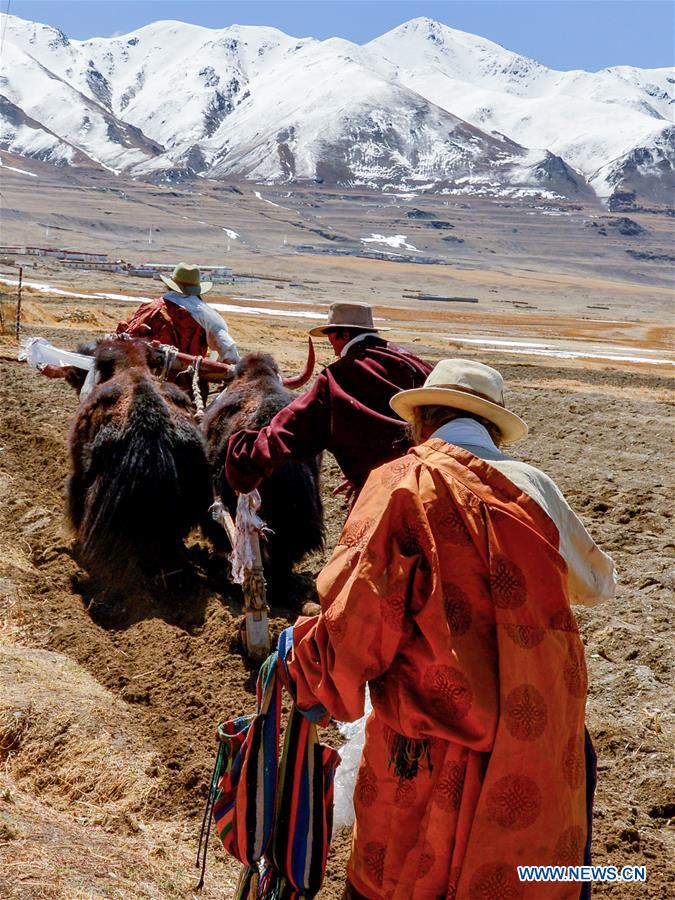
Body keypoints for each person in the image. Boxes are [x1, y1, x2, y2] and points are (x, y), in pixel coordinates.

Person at [277, 359, 616, 899]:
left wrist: (303, 669)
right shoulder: (536, 488)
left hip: (435, 746)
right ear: (492, 429)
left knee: (405, 875)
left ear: (421, 423)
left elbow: (358, 616)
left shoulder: (401, 483)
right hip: (541, 725)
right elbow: (599, 586)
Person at [226, 301, 432, 498]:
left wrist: (245, 461)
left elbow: (292, 428)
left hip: (387, 489)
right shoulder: (410, 361)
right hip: (431, 477)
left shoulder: (339, 376)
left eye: (330, 335)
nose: (330, 342)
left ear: (343, 333)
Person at [116, 262, 239, 364]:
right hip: (184, 383)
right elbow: (230, 353)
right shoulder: (205, 314)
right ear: (197, 288)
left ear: (171, 285)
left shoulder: (148, 308)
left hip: (136, 368)